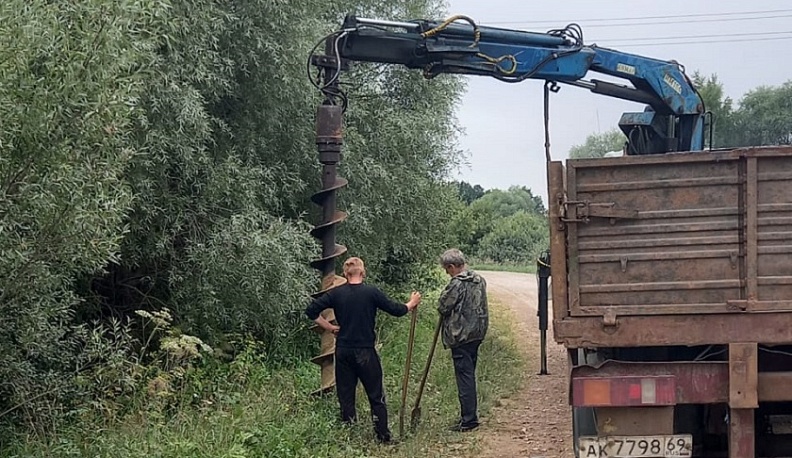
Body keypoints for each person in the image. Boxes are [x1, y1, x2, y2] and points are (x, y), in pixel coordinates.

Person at [305, 256, 421, 443]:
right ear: (363, 272)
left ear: (345, 273)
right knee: (375, 395)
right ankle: (383, 436)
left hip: (343, 351)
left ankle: (349, 437)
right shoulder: (371, 293)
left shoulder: (336, 293)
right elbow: (397, 310)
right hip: (365, 352)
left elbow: (311, 311)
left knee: (346, 395)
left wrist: (329, 327)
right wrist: (411, 303)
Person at [438, 248, 488, 432]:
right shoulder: (479, 279)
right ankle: (469, 415)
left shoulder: (457, 284)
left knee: (464, 377)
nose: (446, 272)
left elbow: (443, 306)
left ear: (452, 266)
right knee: (469, 373)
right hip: (476, 334)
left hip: (461, 336)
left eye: (447, 268)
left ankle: (469, 420)